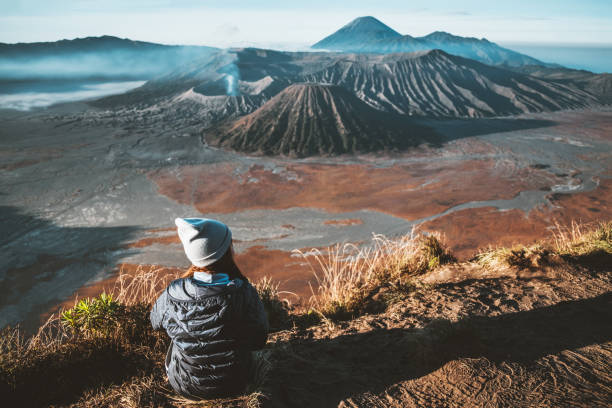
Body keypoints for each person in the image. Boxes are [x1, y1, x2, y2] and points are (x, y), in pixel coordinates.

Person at [150, 217, 269, 400]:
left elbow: (155, 322)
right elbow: (259, 339)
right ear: (225, 251)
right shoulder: (242, 291)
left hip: (186, 386)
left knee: (176, 337)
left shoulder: (173, 294)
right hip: (236, 382)